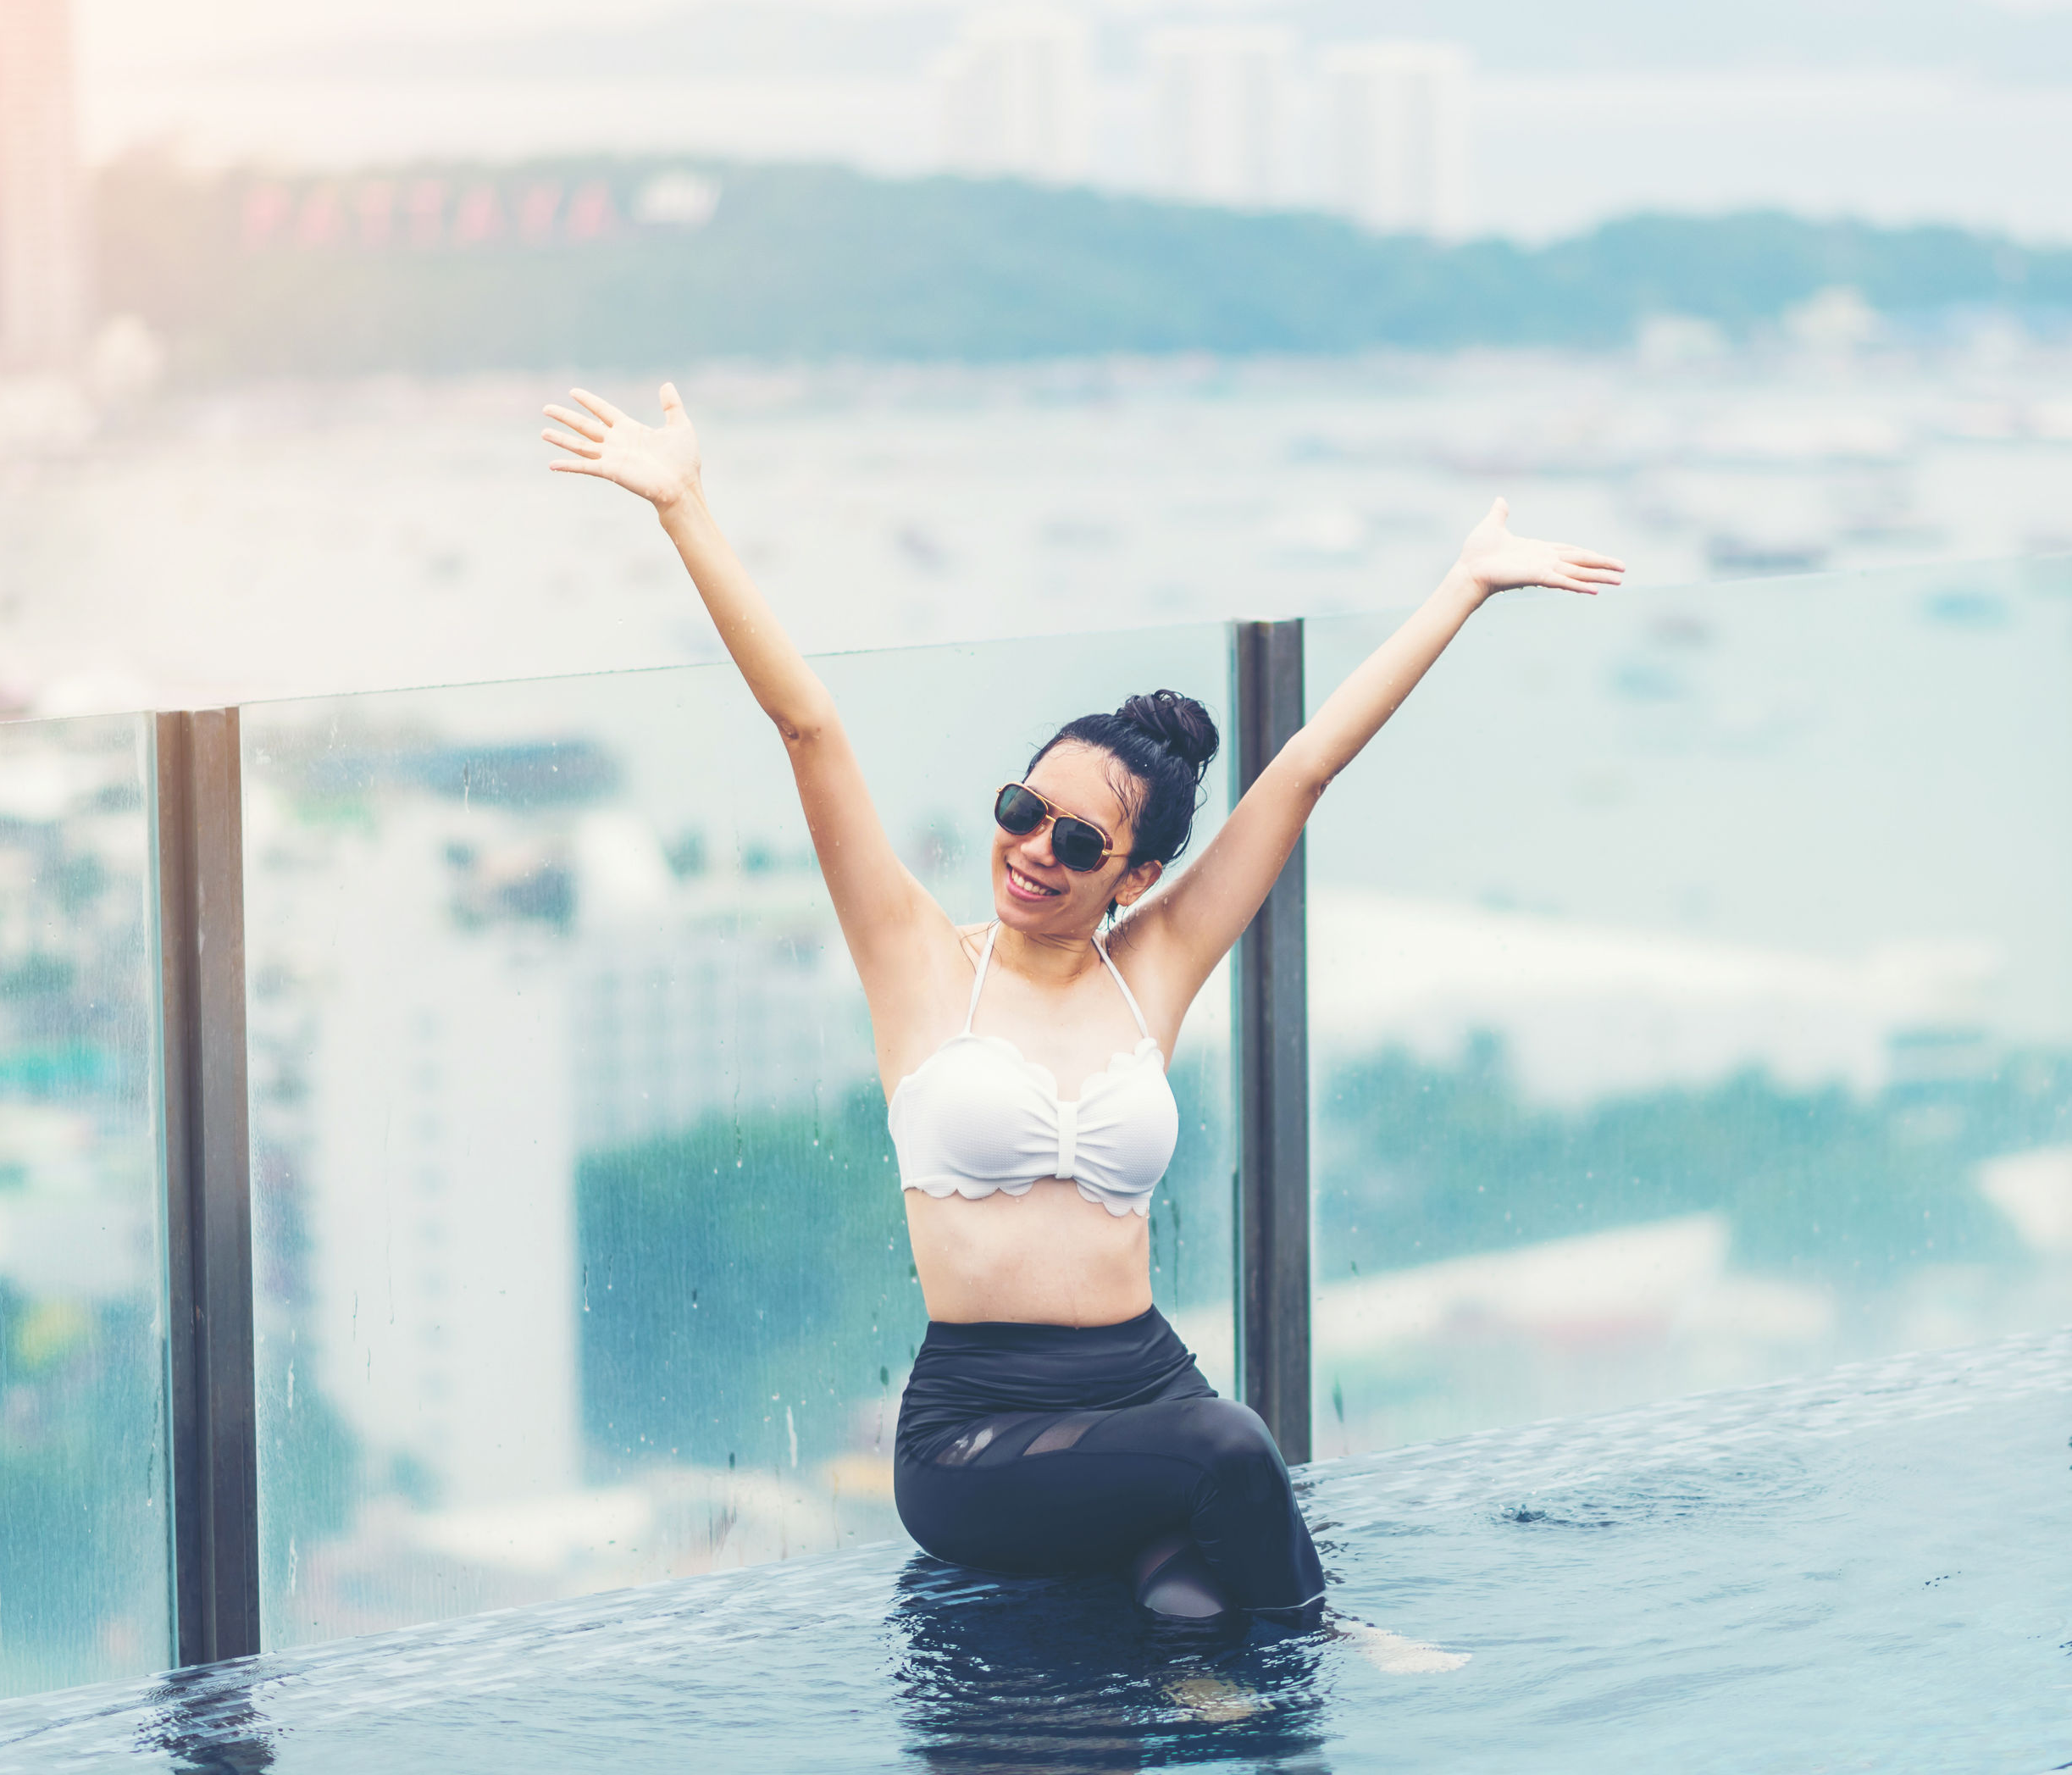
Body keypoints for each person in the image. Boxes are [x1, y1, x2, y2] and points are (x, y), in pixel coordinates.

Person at [542, 381, 1622, 1633]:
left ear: (1137, 876)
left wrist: (1465, 584)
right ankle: (1341, 1651)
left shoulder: (1150, 967)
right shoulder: (917, 961)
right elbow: (807, 724)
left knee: (1193, 1606)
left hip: (1145, 1385)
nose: (1029, 849)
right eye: (1019, 808)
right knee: (1231, 1455)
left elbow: (1307, 767)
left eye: (1074, 837)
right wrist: (683, 506)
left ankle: (1228, 1673)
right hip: (976, 1433)